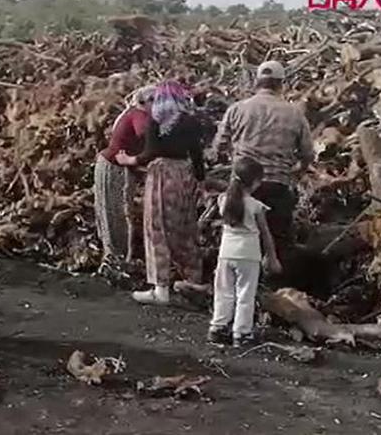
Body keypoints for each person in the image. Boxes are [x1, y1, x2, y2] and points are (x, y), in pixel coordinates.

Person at [212, 60, 314, 253]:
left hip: (243, 185)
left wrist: (236, 157)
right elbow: (308, 154)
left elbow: (218, 146)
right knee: (278, 241)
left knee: (241, 238)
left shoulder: (237, 109)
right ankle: (277, 281)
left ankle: (244, 280)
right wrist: (297, 171)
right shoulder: (295, 113)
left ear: (257, 82)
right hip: (278, 184)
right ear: (281, 84)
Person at [119, 80, 206, 305]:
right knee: (185, 227)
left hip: (162, 175)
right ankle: (193, 281)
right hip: (184, 174)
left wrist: (130, 159)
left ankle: (161, 288)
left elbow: (151, 151)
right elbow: (197, 154)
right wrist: (201, 180)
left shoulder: (156, 120)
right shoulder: (191, 121)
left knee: (156, 228)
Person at [208, 157, 282, 348]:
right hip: (248, 254)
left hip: (226, 252)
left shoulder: (223, 200)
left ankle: (218, 327)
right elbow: (265, 234)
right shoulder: (255, 206)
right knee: (245, 294)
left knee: (223, 291)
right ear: (255, 182)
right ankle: (241, 333)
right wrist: (272, 257)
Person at [94, 85, 155, 276]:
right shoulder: (139, 115)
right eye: (155, 100)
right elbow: (144, 133)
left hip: (116, 166)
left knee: (115, 211)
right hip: (114, 167)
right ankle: (116, 260)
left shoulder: (133, 113)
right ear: (145, 102)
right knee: (116, 212)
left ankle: (115, 258)